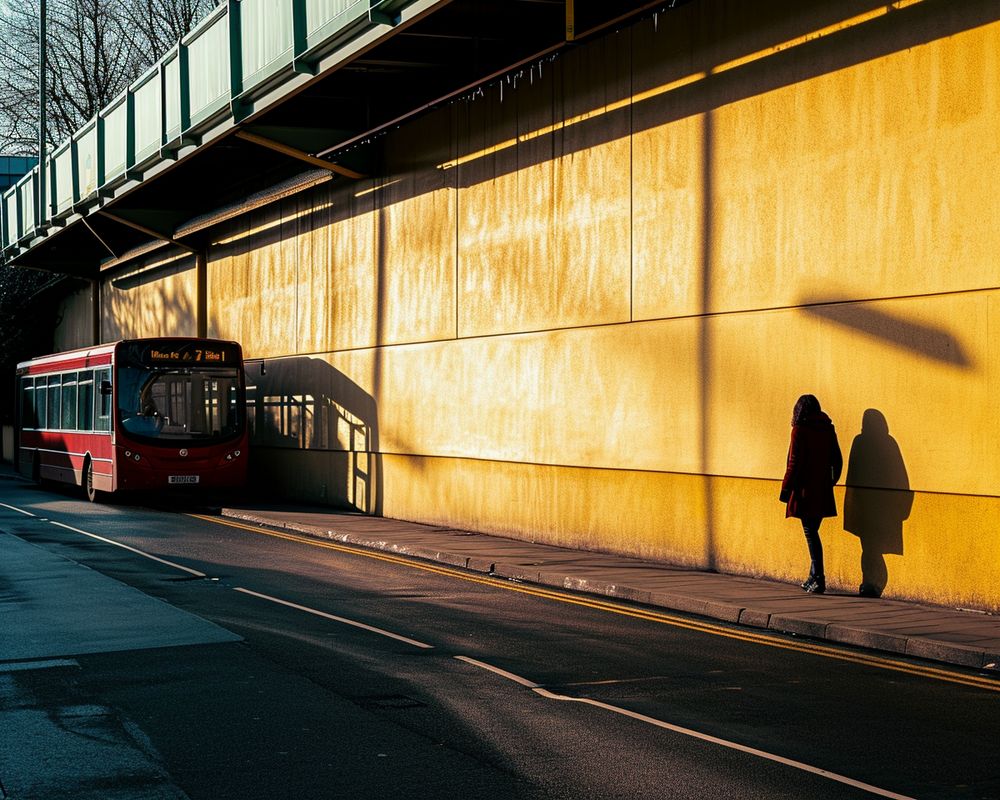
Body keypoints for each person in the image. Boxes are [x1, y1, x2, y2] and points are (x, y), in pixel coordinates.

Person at [780, 394, 843, 594]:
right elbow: (838, 460)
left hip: (805, 491)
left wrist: (785, 489)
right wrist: (830, 482)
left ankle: (819, 578)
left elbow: (794, 463)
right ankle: (812, 577)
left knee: (810, 533)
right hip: (822, 490)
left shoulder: (799, 430)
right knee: (813, 530)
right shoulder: (827, 428)